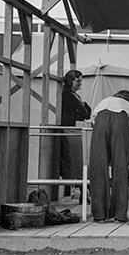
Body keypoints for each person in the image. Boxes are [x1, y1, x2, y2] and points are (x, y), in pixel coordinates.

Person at [89, 89, 129, 222]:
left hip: (100, 124)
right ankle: (119, 215)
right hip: (120, 124)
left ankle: (99, 215)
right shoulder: (128, 105)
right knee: (121, 166)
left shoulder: (103, 102)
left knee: (98, 167)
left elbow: (92, 120)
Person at [57, 69, 90, 202]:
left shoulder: (72, 95)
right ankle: (82, 189)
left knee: (76, 162)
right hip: (70, 131)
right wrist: (85, 108)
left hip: (72, 131)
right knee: (75, 161)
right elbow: (85, 112)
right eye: (78, 81)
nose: (80, 84)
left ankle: (82, 190)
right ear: (70, 81)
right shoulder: (68, 96)